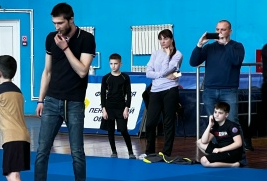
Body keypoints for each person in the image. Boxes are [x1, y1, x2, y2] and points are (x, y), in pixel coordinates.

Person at [30, 2, 96, 181]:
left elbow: (82, 71)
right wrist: (40, 99)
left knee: (77, 152)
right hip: (51, 100)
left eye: (60, 23)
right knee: (42, 151)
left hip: (74, 102)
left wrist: (66, 48)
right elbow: (47, 71)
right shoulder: (51, 38)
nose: (57, 27)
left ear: (71, 20)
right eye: (54, 23)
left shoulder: (86, 39)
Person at [189, 20, 250, 150]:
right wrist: (199, 45)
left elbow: (236, 61)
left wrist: (226, 44)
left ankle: (238, 151)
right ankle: (220, 149)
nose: (219, 32)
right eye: (217, 29)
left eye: (223, 30)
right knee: (214, 122)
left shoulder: (237, 46)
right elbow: (193, 62)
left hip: (229, 90)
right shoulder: (210, 47)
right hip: (210, 90)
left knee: (232, 120)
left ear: (230, 31)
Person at [141, 29, 183, 158]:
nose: (162, 41)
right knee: (150, 123)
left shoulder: (177, 54)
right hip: (155, 90)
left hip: (170, 90)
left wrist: (167, 56)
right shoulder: (155, 53)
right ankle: (149, 152)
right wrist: (161, 75)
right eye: (160, 39)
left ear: (171, 39)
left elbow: (170, 70)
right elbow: (148, 73)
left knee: (168, 122)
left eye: (165, 38)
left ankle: (166, 152)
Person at [100, 53, 135, 159]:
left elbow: (129, 93)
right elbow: (103, 94)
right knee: (110, 130)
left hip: (121, 107)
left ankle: (130, 152)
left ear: (120, 64)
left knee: (123, 130)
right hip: (109, 107)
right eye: (111, 64)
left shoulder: (125, 77)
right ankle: (114, 151)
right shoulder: (106, 78)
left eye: (115, 63)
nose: (113, 66)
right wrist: (104, 109)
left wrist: (126, 108)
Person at [197, 101, 242, 168]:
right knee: (199, 142)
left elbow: (238, 143)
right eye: (215, 112)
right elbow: (204, 141)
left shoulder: (231, 126)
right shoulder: (215, 125)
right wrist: (209, 125)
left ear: (226, 115)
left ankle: (233, 165)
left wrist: (220, 150)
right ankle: (215, 158)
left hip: (231, 152)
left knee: (204, 161)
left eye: (220, 113)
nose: (216, 115)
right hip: (221, 149)